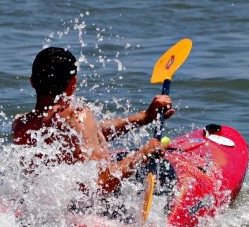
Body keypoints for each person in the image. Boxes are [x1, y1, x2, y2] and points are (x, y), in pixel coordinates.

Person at [12, 46, 174, 196]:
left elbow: (90, 135)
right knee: (167, 170)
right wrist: (143, 153)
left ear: (32, 82)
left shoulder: (21, 124)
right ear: (73, 82)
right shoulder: (78, 116)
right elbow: (99, 184)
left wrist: (144, 117)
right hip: (95, 206)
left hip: (51, 204)